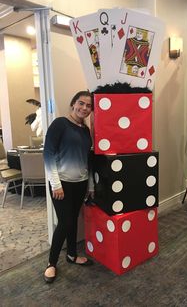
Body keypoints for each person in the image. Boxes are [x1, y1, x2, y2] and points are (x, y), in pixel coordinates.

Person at [43, 91, 94, 283]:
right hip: (61, 184)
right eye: (81, 103)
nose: (84, 108)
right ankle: (51, 263)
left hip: (80, 184)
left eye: (89, 106)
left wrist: (89, 185)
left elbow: (87, 160)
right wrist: (56, 184)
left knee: (72, 219)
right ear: (73, 104)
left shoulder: (85, 131)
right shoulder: (59, 124)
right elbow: (48, 155)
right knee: (65, 222)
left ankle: (72, 255)